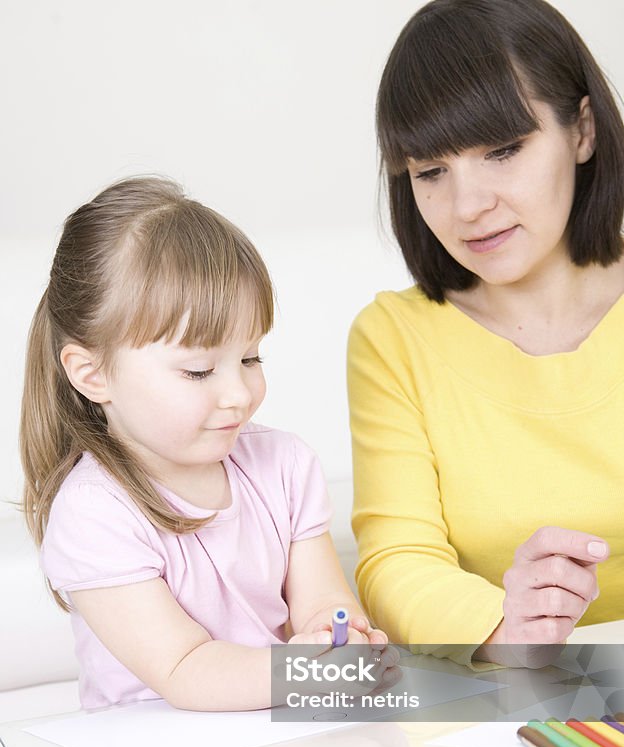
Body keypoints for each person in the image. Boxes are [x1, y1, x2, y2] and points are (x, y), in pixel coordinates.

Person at [347, 0, 624, 669]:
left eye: (502, 151)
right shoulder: (392, 339)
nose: (466, 206)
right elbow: (396, 559)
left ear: (581, 132)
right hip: (507, 706)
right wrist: (503, 628)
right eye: (429, 171)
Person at [21, 177, 398, 711]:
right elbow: (185, 669)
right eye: (199, 371)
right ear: (92, 374)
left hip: (269, 743)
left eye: (250, 358)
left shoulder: (284, 465)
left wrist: (340, 639)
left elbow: (321, 603)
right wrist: (306, 673)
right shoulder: (93, 513)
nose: (239, 394)